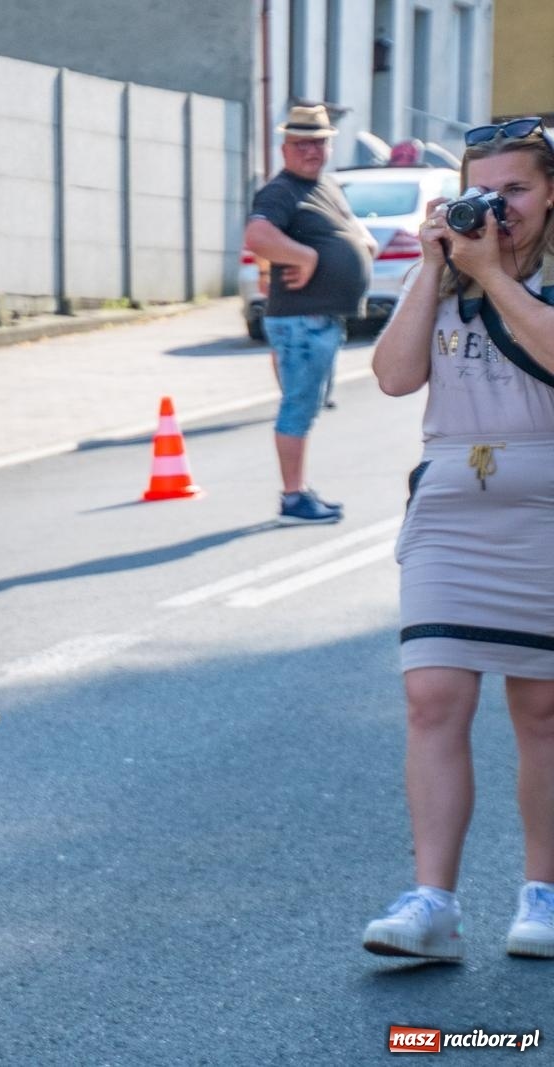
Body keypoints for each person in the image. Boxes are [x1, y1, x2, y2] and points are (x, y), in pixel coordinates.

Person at [363, 116, 554, 962]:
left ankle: (542, 893)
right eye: (486, 190)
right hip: (450, 513)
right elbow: (396, 376)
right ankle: (432, 901)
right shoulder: (449, 272)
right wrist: (435, 265)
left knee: (544, 712)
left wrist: (492, 273)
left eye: (516, 190)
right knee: (432, 698)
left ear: (550, 193)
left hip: (546, 513)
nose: (500, 208)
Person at [243, 103, 374, 525]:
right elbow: (257, 234)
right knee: (298, 407)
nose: (311, 151)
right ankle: (293, 498)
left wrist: (359, 247)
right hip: (302, 319)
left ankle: (298, 491)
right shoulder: (281, 190)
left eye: (319, 142)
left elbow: (355, 232)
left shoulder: (323, 186)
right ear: (285, 149)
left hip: (318, 319)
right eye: (302, 143)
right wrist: (307, 257)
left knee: (306, 405)